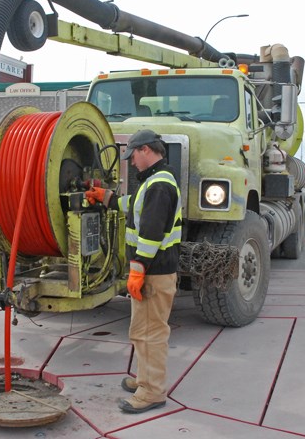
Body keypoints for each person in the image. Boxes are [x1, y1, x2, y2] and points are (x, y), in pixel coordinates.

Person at [85, 129, 182, 414]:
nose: (131, 162)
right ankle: (145, 379)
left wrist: (137, 271)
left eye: (133, 156)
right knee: (141, 330)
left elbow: (151, 233)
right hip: (151, 270)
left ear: (146, 151)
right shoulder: (153, 182)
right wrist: (106, 197)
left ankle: (152, 392)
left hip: (154, 271)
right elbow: (134, 208)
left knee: (151, 333)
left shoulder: (159, 185)